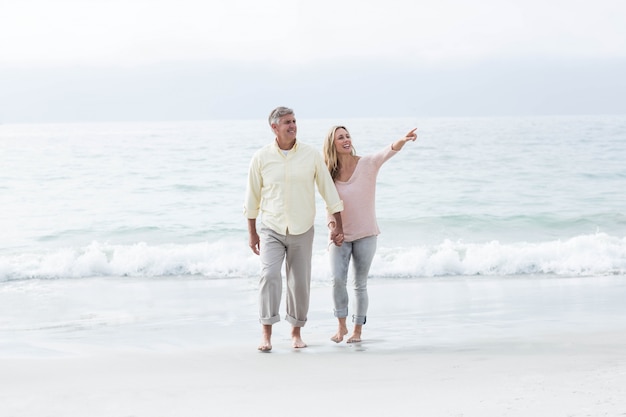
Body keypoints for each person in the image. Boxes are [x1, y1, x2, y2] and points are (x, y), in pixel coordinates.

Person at [244, 106, 345, 351]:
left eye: (294, 121)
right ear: (274, 127)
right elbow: (252, 198)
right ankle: (266, 333)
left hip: (302, 228)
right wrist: (252, 233)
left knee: (299, 283)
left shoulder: (310, 155)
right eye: (287, 122)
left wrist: (338, 225)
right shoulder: (261, 157)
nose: (293, 125)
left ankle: (295, 332)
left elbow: (328, 191)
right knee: (269, 276)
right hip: (271, 227)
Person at [324, 125, 417, 343]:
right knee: (337, 279)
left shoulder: (367, 163)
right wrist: (332, 228)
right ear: (332, 144)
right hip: (339, 236)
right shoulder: (328, 171)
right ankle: (341, 326)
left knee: (359, 284)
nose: (346, 140)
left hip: (366, 234)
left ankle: (357, 331)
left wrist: (402, 140)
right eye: (340, 137)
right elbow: (328, 204)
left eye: (347, 136)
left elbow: (386, 151)